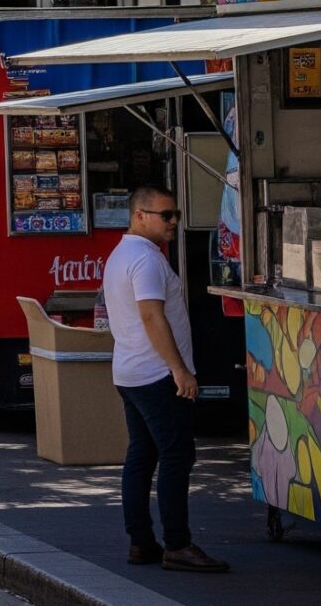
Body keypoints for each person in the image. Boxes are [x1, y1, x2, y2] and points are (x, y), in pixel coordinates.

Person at [103, 185, 225, 573]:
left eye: (175, 215)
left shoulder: (122, 254)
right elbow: (151, 316)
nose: (174, 222)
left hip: (130, 370)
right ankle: (177, 544)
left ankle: (141, 541)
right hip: (155, 373)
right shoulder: (145, 260)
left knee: (142, 454)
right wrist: (179, 368)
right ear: (140, 216)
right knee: (176, 455)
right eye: (166, 215)